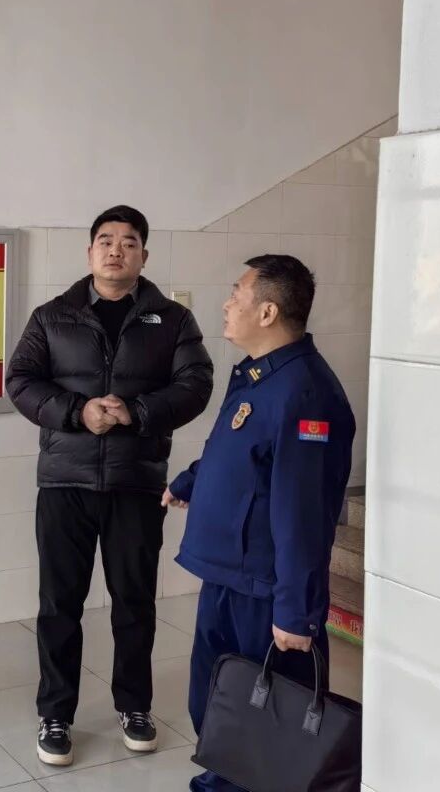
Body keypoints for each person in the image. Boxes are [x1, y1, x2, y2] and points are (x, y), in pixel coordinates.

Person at [6, 205, 215, 767]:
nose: (116, 250)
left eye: (128, 242)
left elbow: (196, 384)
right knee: (59, 605)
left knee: (134, 603)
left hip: (135, 483)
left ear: (144, 255)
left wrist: (137, 413)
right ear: (90, 251)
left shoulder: (173, 320)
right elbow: (20, 380)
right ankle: (55, 713)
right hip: (64, 481)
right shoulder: (52, 316)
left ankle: (135, 706)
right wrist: (77, 412)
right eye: (105, 240)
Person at [162, 254, 355, 792]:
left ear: (267, 312)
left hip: (267, 591)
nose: (227, 304)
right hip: (229, 575)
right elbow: (236, 450)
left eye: (236, 294)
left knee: (266, 722)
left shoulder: (305, 393)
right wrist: (192, 482)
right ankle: (220, 781)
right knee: (217, 703)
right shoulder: (258, 374)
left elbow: (304, 511)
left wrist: (296, 610)